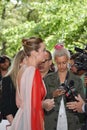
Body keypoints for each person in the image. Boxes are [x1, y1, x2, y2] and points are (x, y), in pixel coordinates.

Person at [8, 37, 55, 130]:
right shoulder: (34, 72)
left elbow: (19, 102)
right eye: (43, 50)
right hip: (31, 122)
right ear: (34, 53)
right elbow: (34, 107)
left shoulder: (23, 69)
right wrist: (44, 104)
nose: (45, 53)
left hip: (21, 120)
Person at [44, 43, 85, 130]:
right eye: (58, 63)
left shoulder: (77, 79)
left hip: (72, 121)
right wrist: (53, 95)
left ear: (69, 60)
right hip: (52, 120)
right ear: (55, 61)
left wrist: (75, 100)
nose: (61, 66)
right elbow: (41, 101)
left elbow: (82, 101)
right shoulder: (48, 79)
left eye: (64, 63)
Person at [0, 50, 25, 130]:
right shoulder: (8, 79)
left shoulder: (31, 78)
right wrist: (14, 124)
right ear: (20, 62)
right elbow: (5, 105)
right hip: (13, 121)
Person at [0, 55, 11, 122]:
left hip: (9, 106)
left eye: (6, 61)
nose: (4, 63)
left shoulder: (13, 76)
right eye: (2, 61)